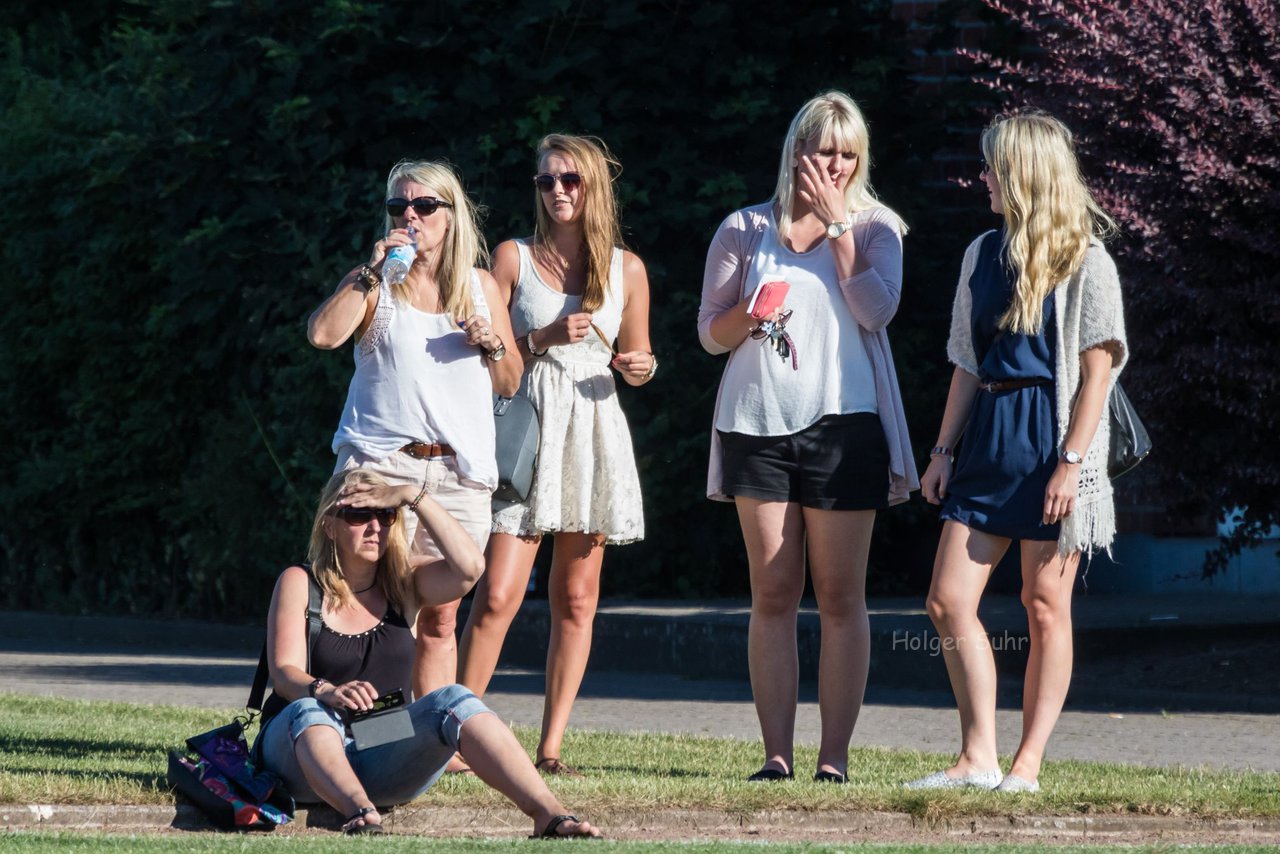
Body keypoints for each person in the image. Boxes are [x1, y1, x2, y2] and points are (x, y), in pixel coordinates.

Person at [697, 92, 918, 784]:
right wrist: (750, 318)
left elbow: (876, 310)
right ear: (799, 152)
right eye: (825, 152)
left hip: (844, 427)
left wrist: (839, 229)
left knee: (840, 595)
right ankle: (776, 755)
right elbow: (710, 334)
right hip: (755, 424)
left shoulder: (880, 228)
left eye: (849, 155)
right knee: (773, 592)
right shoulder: (745, 228)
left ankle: (835, 758)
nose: (836, 165)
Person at [906, 111, 1127, 793]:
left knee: (1043, 605)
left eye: (994, 167)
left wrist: (1070, 462)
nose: (984, 179)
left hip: (1053, 439)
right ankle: (978, 756)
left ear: (1025, 174)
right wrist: (941, 450)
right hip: (989, 435)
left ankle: (1026, 766)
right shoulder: (981, 251)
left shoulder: (1088, 259)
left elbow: (1099, 372)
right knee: (946, 600)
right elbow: (966, 361)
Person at [308, 161, 522, 766]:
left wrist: (494, 343)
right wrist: (374, 271)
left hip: (456, 475)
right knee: (370, 608)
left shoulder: (479, 286)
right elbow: (323, 336)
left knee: (442, 614)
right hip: (383, 464)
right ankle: (360, 736)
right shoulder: (374, 283)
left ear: (451, 217)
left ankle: (433, 743)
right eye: (399, 205)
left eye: (426, 206)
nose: (410, 216)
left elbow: (509, 381)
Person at [256, 468, 601, 838]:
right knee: (310, 711)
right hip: (301, 745)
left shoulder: (404, 584)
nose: (375, 527)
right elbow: (284, 673)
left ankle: (550, 816)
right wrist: (327, 691)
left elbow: (470, 569)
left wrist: (410, 495)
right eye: (359, 515)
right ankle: (360, 813)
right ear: (329, 525)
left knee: (454, 698)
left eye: (385, 515)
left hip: (378, 737)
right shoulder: (301, 582)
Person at [456, 134, 654, 777]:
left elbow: (640, 361)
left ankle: (551, 748)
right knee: (497, 595)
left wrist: (640, 366)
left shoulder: (627, 269)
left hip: (593, 428)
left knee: (577, 598)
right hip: (529, 426)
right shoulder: (512, 257)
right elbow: (485, 352)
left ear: (593, 186)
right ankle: (455, 732)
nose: (558, 191)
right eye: (546, 181)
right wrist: (539, 335)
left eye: (570, 180)